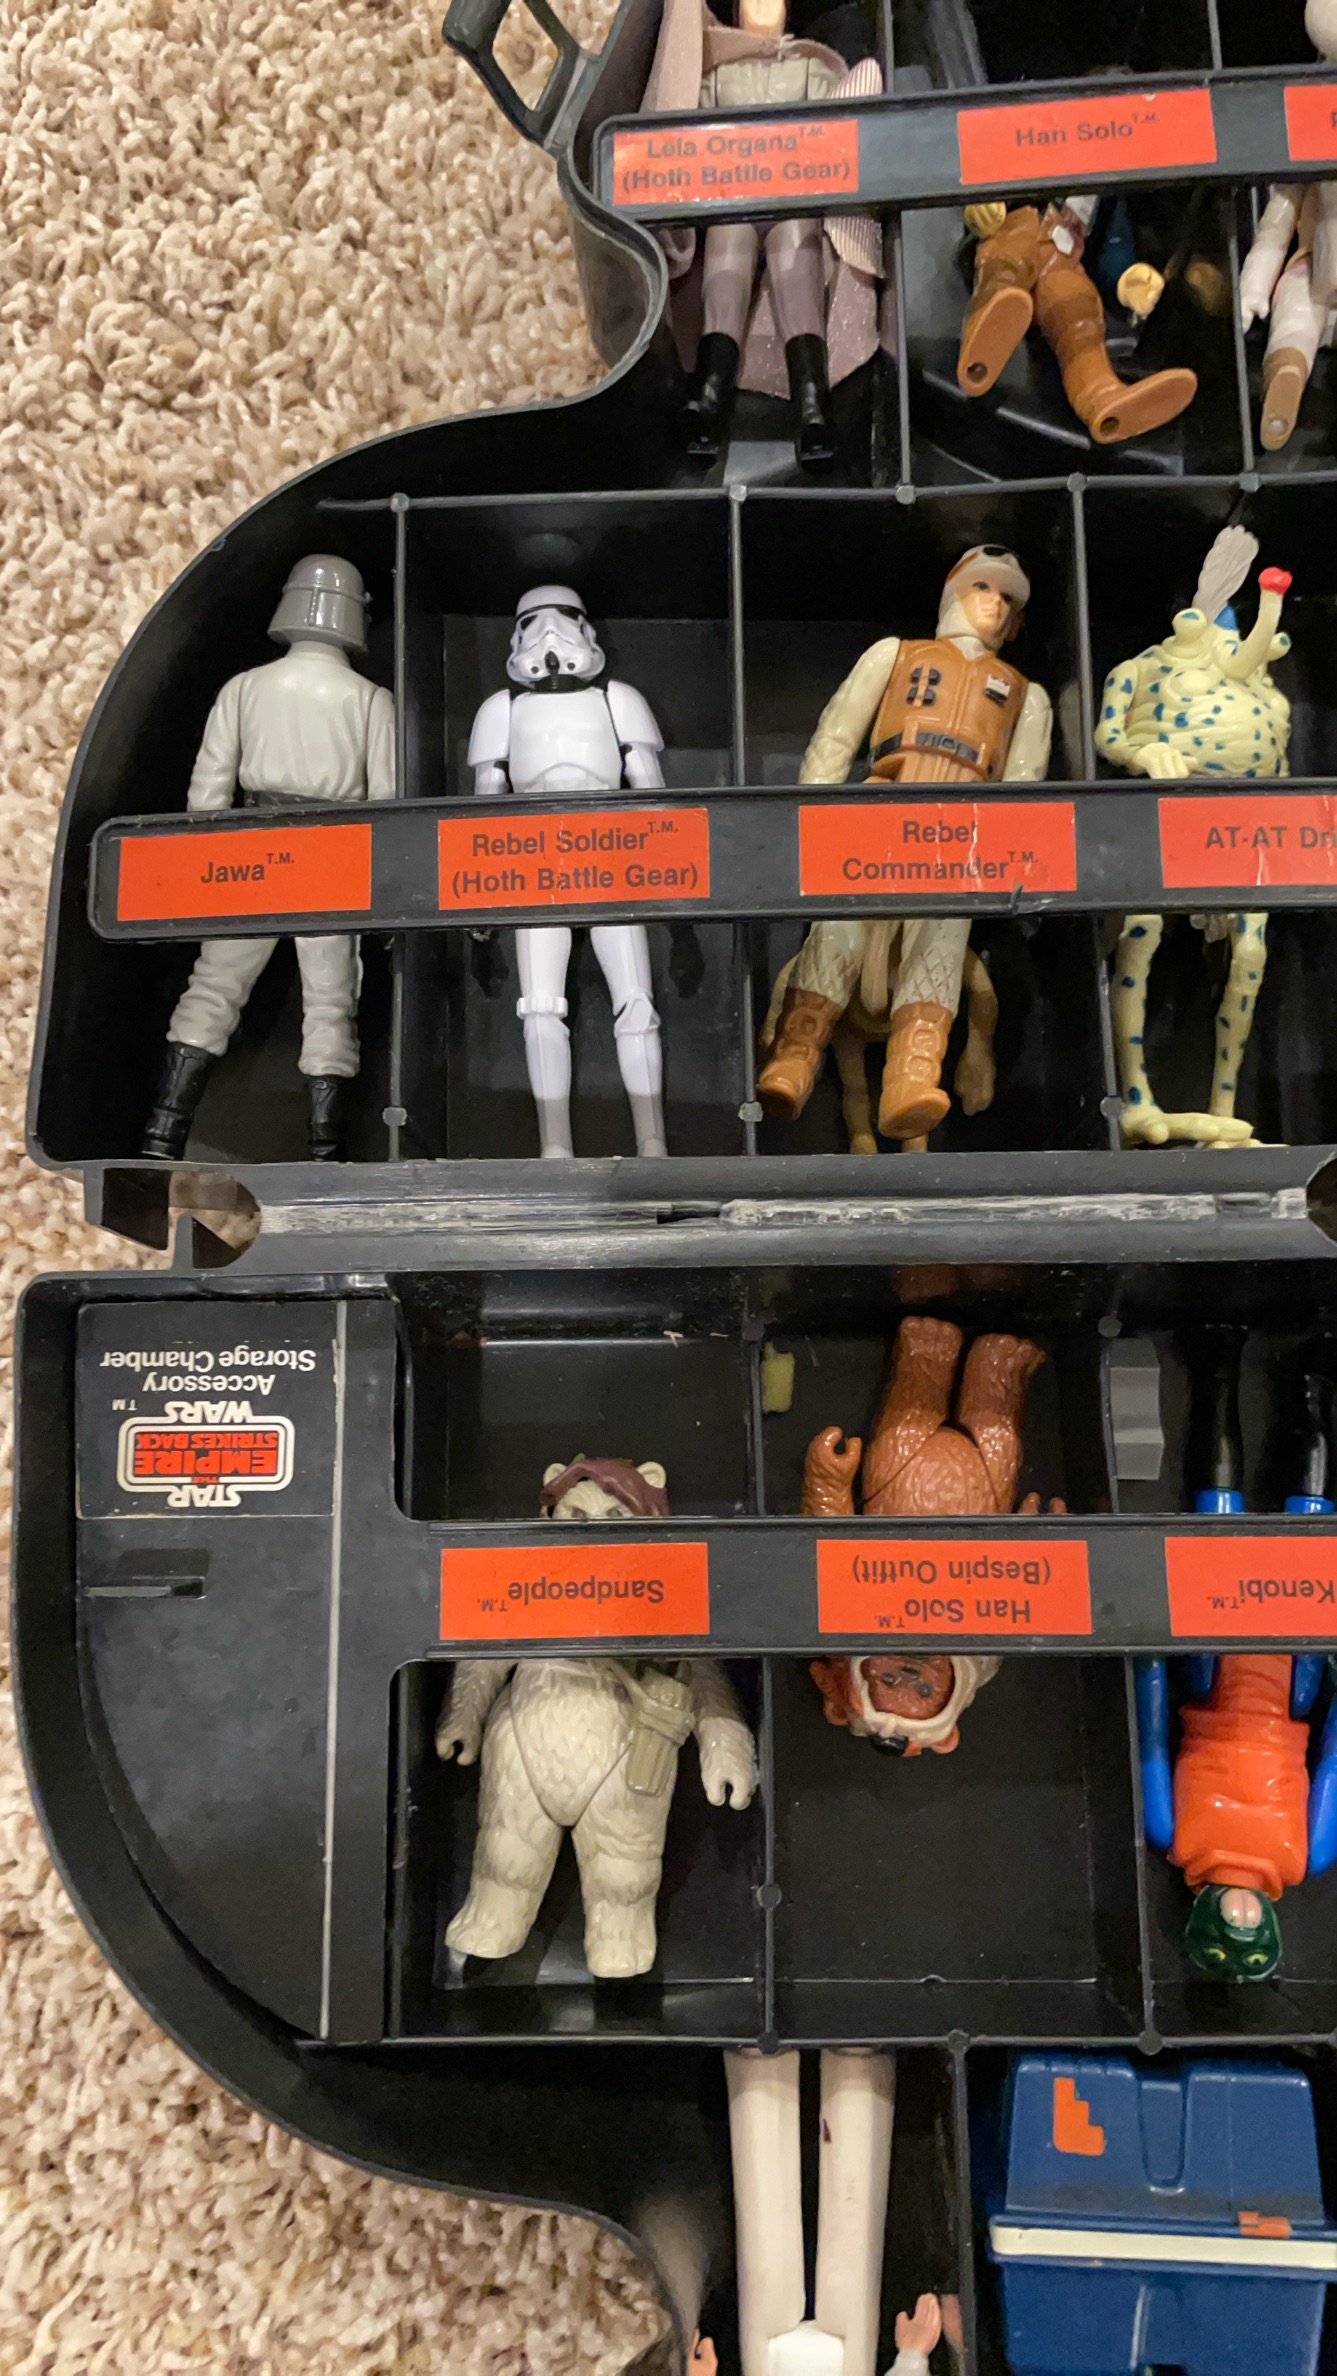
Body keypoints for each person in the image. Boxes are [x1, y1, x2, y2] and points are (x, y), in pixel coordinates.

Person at [141, 553, 394, 1162]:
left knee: (214, 987)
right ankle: (325, 1149)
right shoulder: (370, 699)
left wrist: (211, 870)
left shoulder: (245, 687)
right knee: (331, 1000)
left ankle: (162, 1133)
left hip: (250, 849)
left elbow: (207, 793)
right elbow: (387, 805)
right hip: (331, 854)